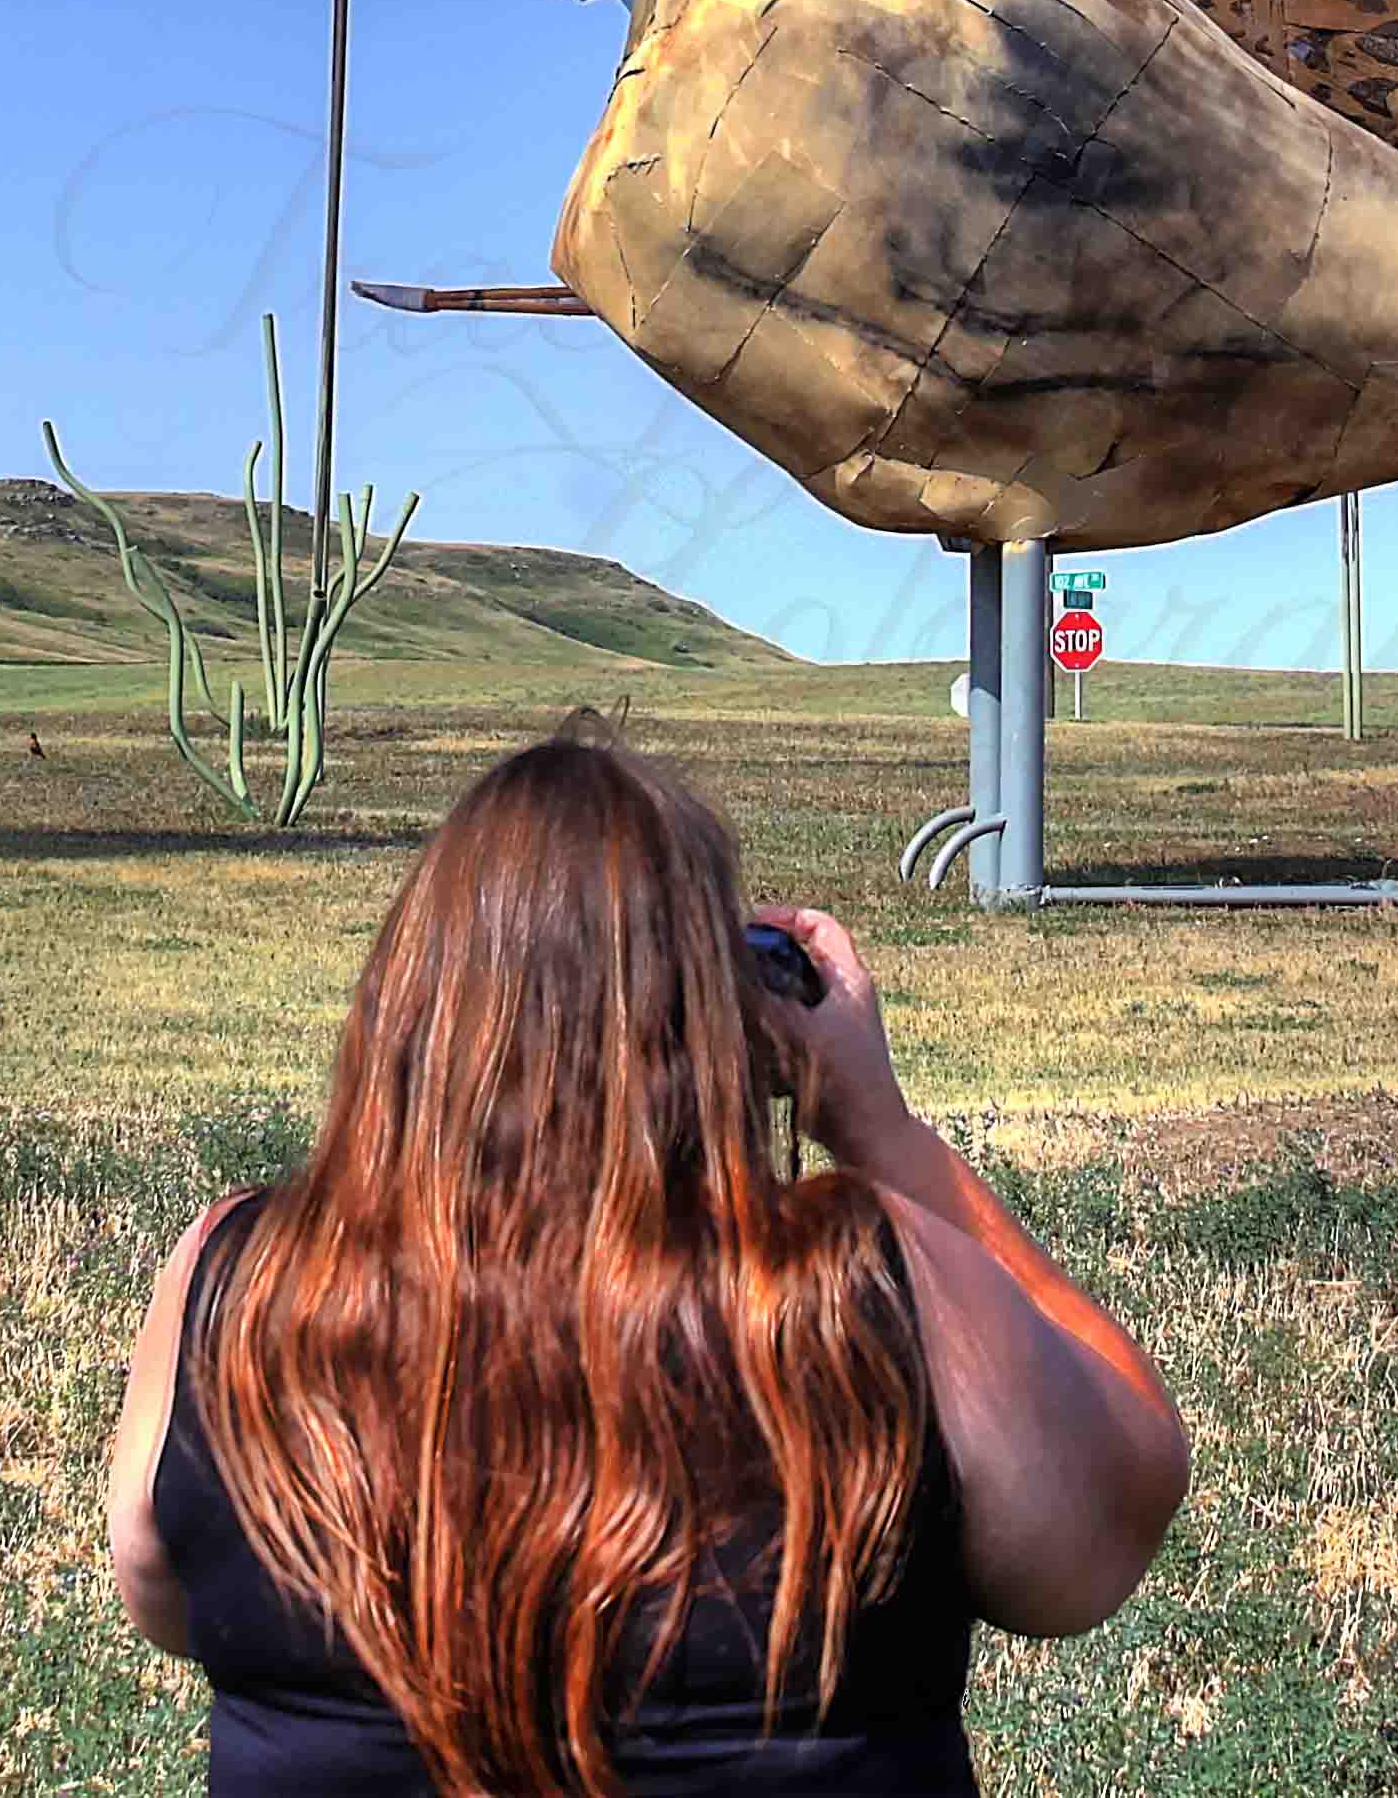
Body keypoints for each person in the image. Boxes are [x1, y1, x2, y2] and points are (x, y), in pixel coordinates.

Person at [103, 721, 1191, 1795]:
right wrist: (881, 1132)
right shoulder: (871, 1280)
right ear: (725, 1012)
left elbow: (162, 1596)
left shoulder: (233, 1280)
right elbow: (1106, 1525)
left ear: (410, 1008)